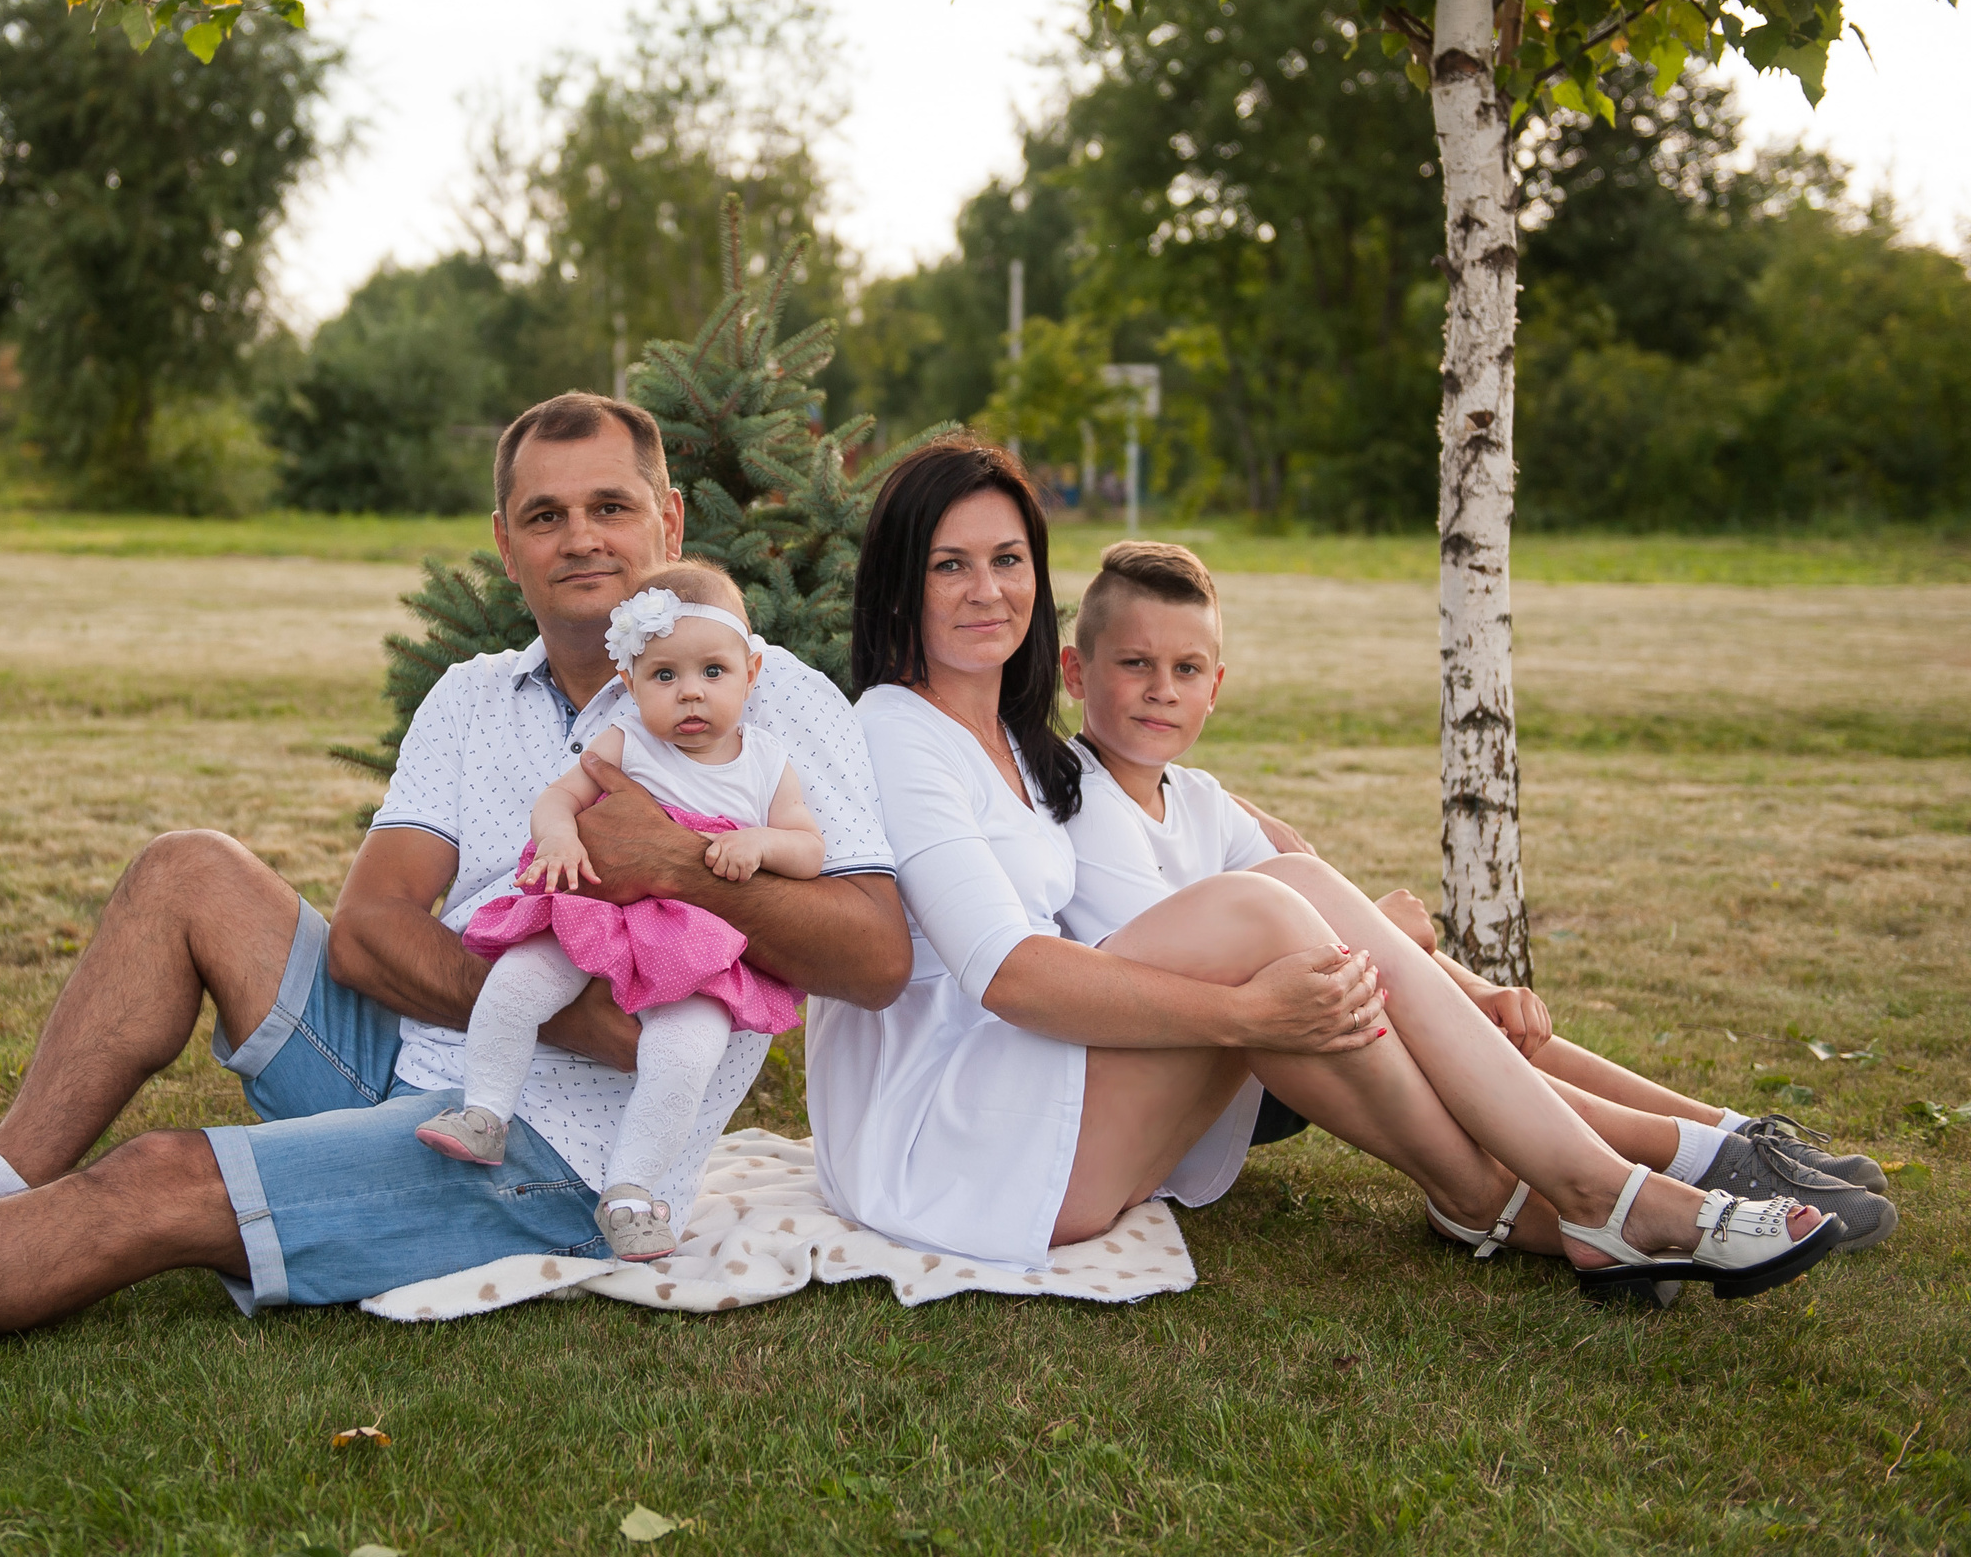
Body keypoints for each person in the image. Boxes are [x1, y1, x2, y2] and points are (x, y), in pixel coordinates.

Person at [0, 393, 913, 1383]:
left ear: (665, 514)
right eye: (546, 514)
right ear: (508, 545)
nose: (584, 537)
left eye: (612, 504)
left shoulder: (780, 702)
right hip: (433, 1058)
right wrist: (545, 1007)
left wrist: (674, 878)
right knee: (189, 870)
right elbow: (367, 927)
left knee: (167, 1177)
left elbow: (871, 949)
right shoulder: (480, 696)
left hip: (554, 1163)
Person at [806, 433, 1844, 1303]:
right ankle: (1586, 1193)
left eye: (1008, 558)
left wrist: (1389, 950)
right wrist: (1247, 1018)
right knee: (1262, 919)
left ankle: (1560, 1195)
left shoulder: (1016, 740)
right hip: (950, 1143)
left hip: (1029, 1096)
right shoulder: (898, 731)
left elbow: (1229, 832)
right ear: (902, 582)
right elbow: (1010, 975)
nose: (987, 589)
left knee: (1286, 894)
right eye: (950, 564)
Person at [1052, 537, 1894, 1249]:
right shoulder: (1069, 796)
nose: (1162, 686)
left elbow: (1309, 918)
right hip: (1182, 1069)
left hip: (1265, 1050)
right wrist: (1379, 931)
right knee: (1385, 986)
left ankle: (1713, 1133)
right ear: (1076, 673)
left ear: (1215, 685)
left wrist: (1482, 988)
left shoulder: (1202, 798)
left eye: (1185, 667)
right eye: (1135, 663)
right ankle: (1667, 1158)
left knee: (1462, 1018)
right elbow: (1201, 962)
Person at [418, 563, 820, 1261]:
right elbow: (556, 799)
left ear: (751, 673)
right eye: (664, 675)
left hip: (694, 936)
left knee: (686, 1051)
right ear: (631, 685)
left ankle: (631, 1191)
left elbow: (808, 848)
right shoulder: (626, 742)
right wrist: (562, 835)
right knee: (516, 982)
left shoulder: (766, 761)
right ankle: (485, 1109)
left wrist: (759, 843)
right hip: (600, 902)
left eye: (714, 672)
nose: (691, 691)